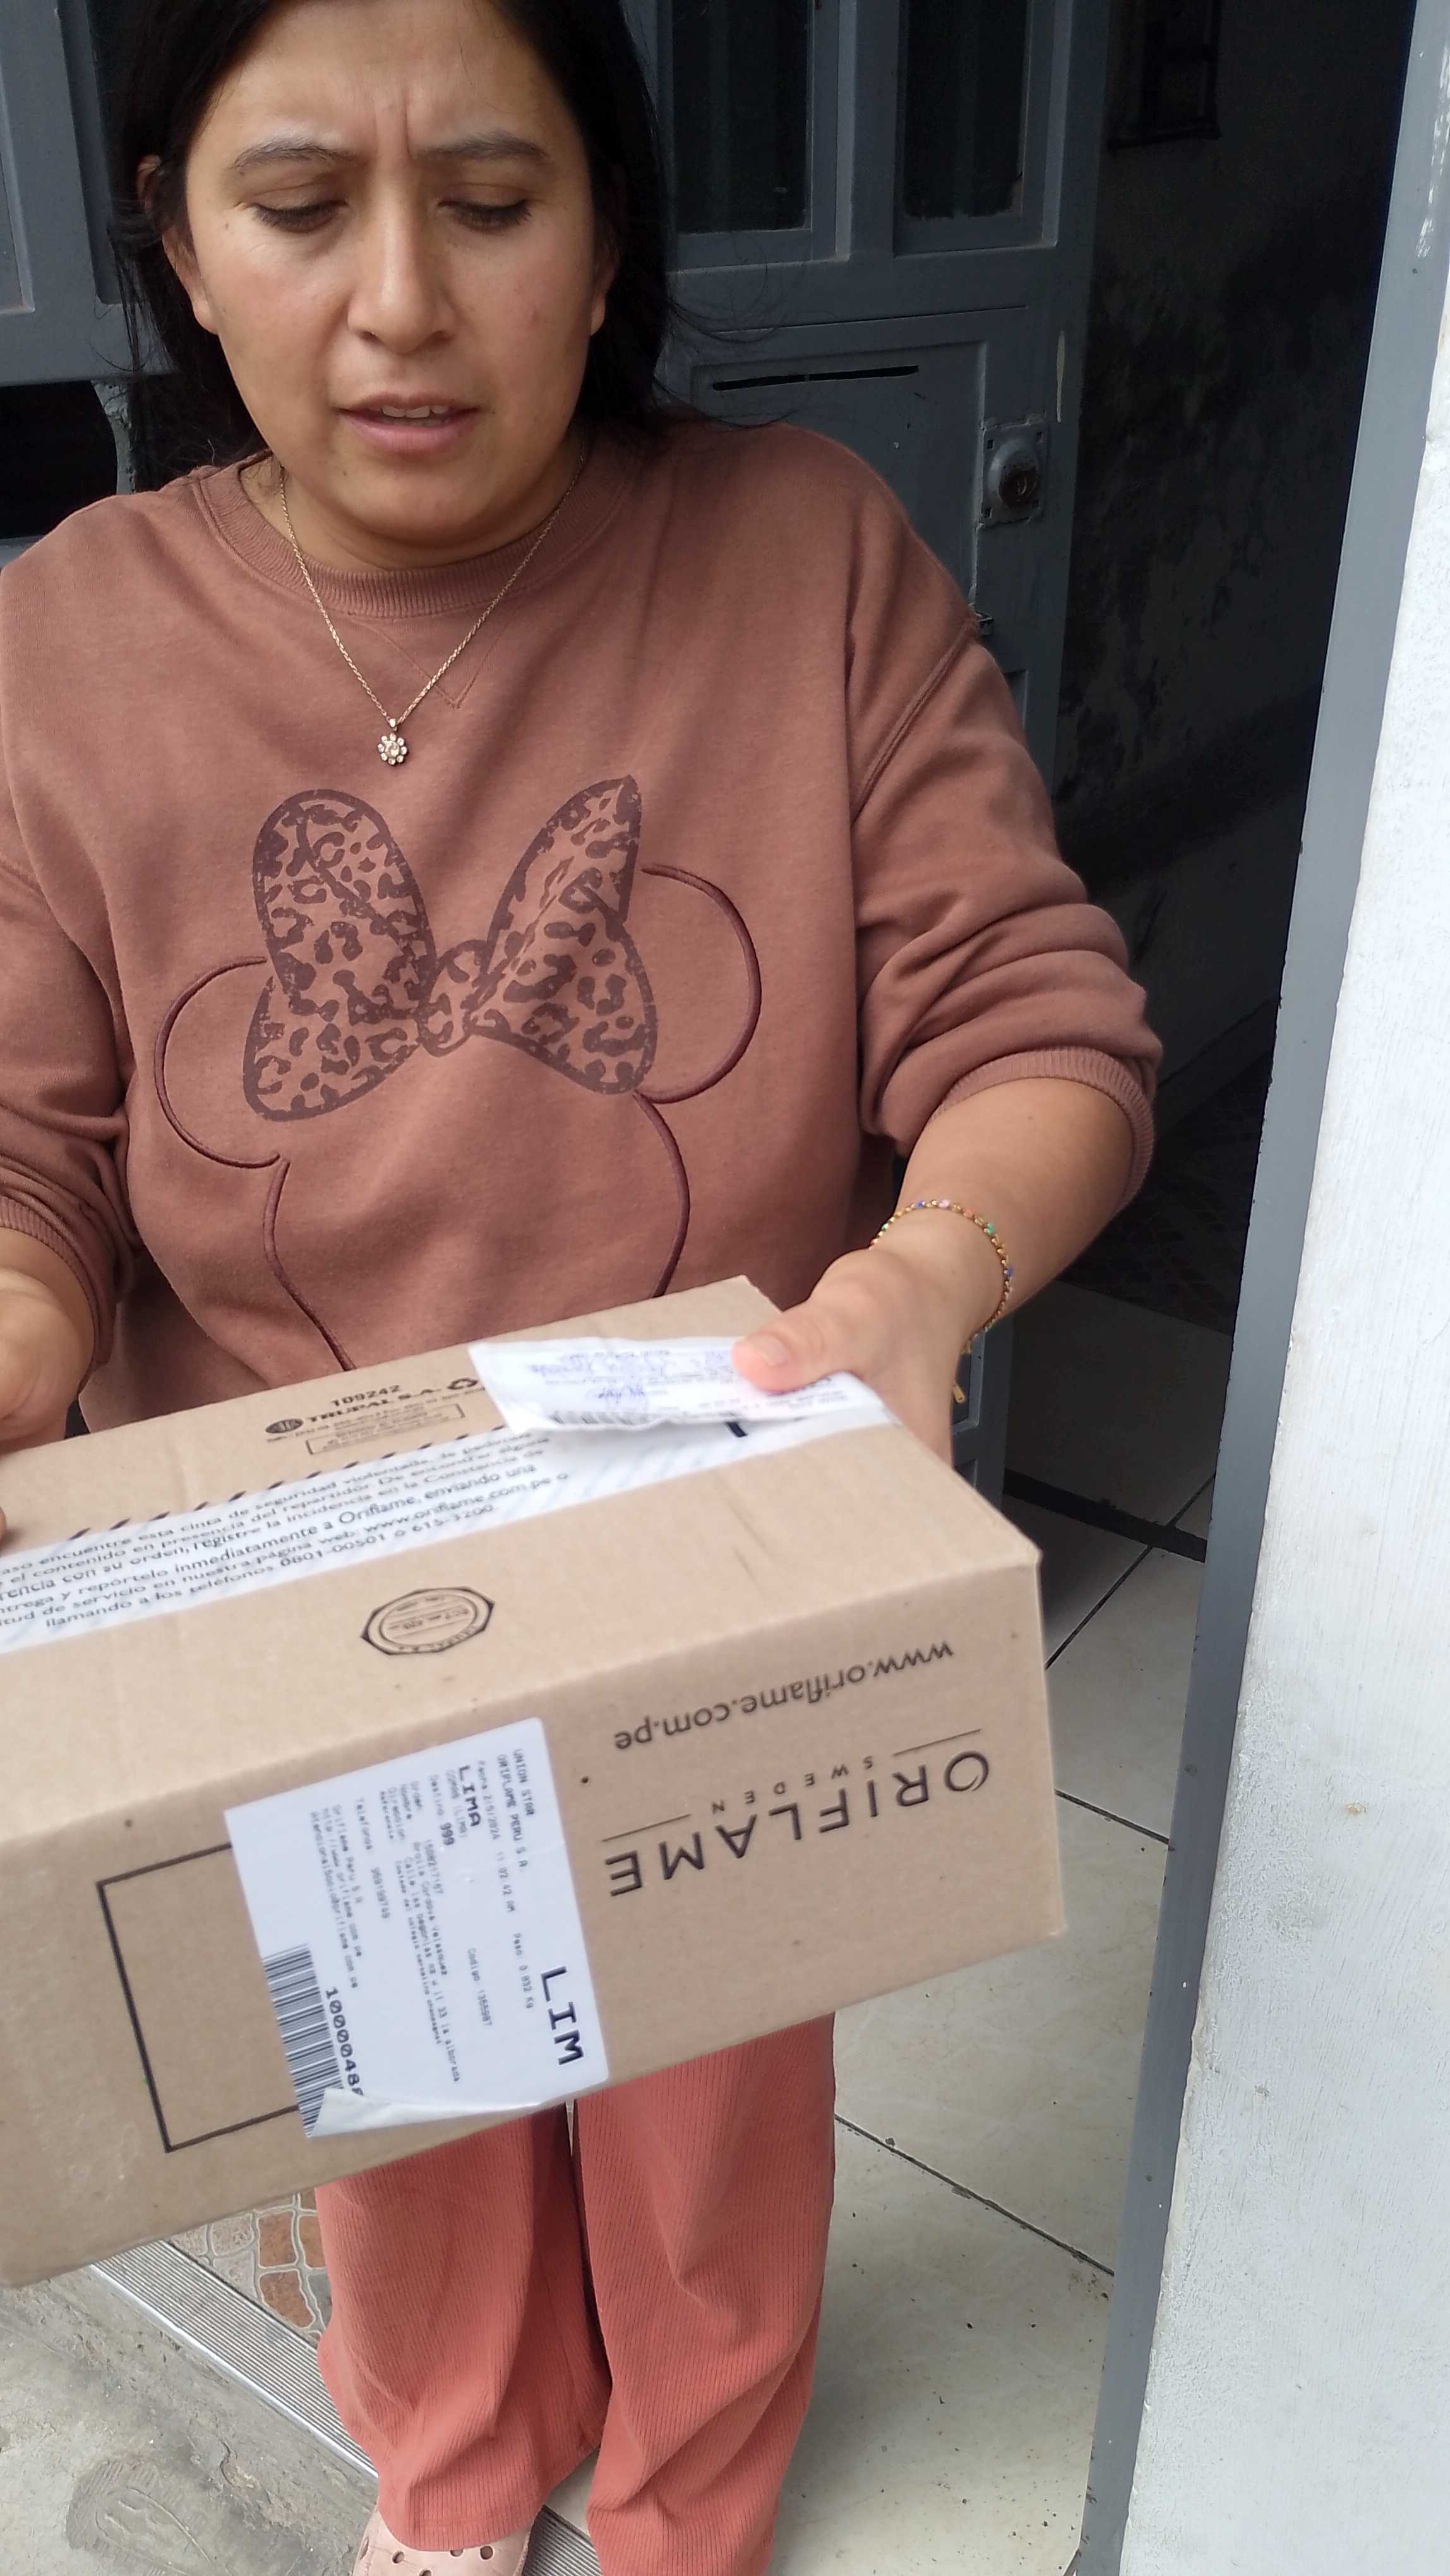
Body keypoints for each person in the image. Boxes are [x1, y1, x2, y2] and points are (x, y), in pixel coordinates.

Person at [0, 1, 1159, 2568]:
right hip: (306, 1587)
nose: (402, 302)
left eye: (494, 203)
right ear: (176, 236)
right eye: (302, 208)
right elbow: (25, 1150)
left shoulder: (799, 553)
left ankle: (685, 2509)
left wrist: (919, 1282)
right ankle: (449, 2481)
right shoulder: (60, 639)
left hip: (694, 1552)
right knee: (397, 2088)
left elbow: (1038, 1022)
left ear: (610, 231)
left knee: (705, 2099)